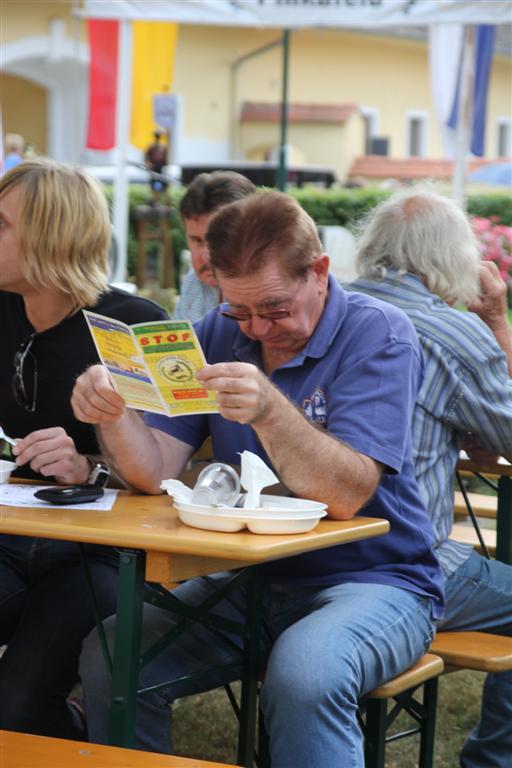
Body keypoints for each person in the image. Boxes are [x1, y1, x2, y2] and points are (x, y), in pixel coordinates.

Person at [72, 190, 444, 767]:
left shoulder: (379, 332)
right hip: (252, 574)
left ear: (319, 271)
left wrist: (270, 408)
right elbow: (155, 471)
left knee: (304, 673)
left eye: (273, 307)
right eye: (239, 310)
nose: (259, 329)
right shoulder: (221, 331)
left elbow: (346, 495)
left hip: (379, 576)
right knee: (111, 653)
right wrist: (113, 415)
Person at [0, 157, 169, 740]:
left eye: (1, 223)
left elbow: (178, 473)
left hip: (101, 557)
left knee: (14, 708)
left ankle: (76, 734)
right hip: (12, 537)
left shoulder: (135, 325)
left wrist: (89, 467)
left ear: (50, 237)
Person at [346, 187, 512, 768]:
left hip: (308, 549)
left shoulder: (333, 308)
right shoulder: (449, 329)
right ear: (455, 259)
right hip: (409, 564)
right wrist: (495, 317)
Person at [172, 170, 256, 324]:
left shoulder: (271, 294)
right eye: (197, 241)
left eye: (218, 241)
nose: (206, 256)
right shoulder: (194, 282)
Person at [144, 130, 169, 206]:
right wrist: (149, 165)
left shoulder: (162, 147)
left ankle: (161, 201)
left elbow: (166, 158)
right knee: (155, 186)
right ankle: (154, 201)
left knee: (162, 186)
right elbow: (146, 158)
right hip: (154, 169)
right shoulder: (152, 147)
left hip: (160, 168)